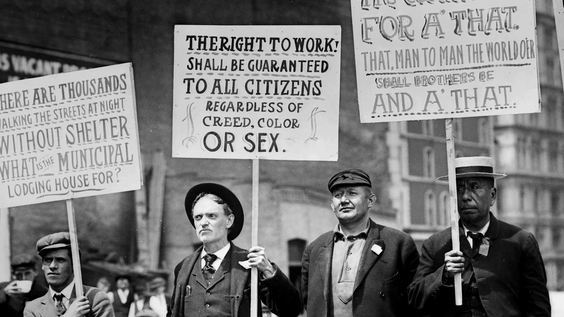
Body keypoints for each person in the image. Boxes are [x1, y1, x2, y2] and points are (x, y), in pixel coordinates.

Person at [407, 156, 551, 316]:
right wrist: (443, 274)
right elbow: (414, 300)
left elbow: (539, 308)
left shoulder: (520, 241)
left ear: (493, 196)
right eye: (460, 188)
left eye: (474, 187)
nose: (466, 196)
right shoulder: (436, 245)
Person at [168, 183, 302, 317]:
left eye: (211, 216)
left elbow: (290, 309)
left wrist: (268, 270)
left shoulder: (250, 264)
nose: (203, 222)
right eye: (198, 217)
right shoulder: (183, 268)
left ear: (229, 221)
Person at [301, 169, 420, 317]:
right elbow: (309, 301)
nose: (344, 200)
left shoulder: (398, 244)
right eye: (338, 195)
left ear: (370, 200)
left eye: (352, 193)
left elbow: (417, 300)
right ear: (332, 205)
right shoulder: (315, 248)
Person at [23, 232, 115, 317]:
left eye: (60, 260)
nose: (52, 266)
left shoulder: (95, 298)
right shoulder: (33, 309)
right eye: (48, 260)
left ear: (74, 265)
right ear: (42, 265)